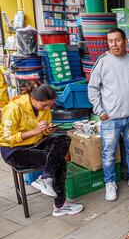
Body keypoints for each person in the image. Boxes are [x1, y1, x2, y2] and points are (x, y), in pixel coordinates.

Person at [0, 84, 83, 217]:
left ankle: (45, 179)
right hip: (13, 150)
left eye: (50, 105)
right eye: (45, 105)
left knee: (64, 139)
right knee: (59, 162)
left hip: (35, 143)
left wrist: (48, 130)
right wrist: (35, 131)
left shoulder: (45, 108)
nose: (48, 108)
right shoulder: (13, 108)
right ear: (33, 98)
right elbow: (6, 137)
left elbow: (43, 132)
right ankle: (59, 205)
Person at [88, 27, 129, 201]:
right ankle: (110, 183)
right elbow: (92, 89)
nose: (113, 44)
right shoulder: (102, 62)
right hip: (110, 118)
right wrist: (100, 111)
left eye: (117, 40)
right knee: (108, 153)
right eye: (110, 41)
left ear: (125, 41)